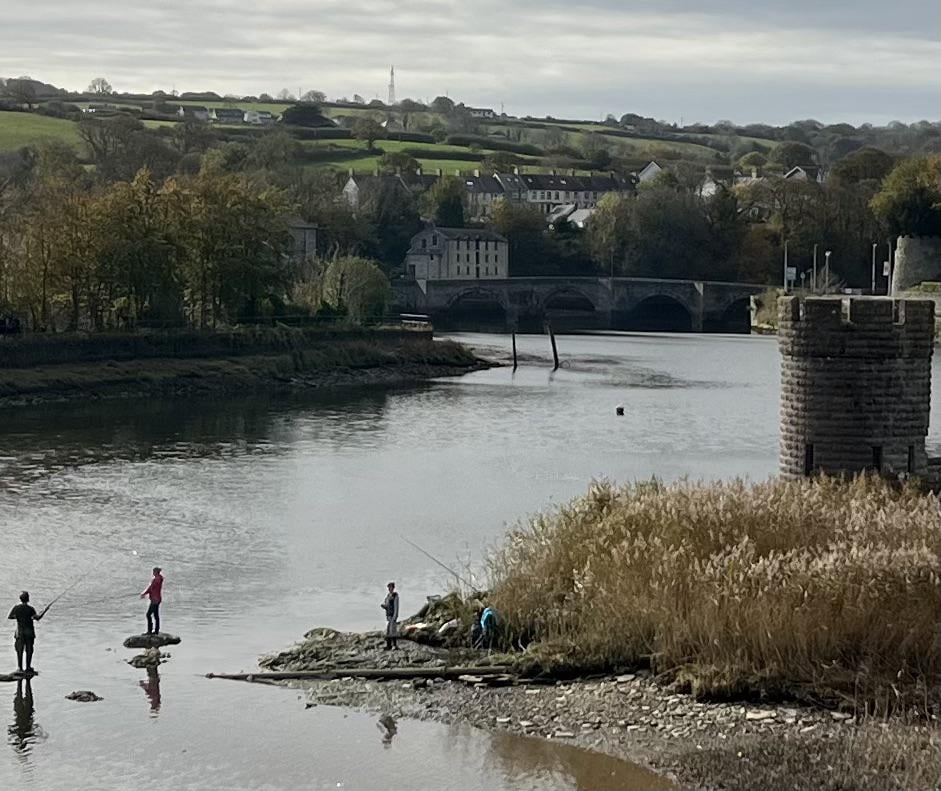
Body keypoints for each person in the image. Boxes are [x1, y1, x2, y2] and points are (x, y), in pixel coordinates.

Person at [8, 592, 43, 675]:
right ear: (28, 598)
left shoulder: (16, 608)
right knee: (29, 650)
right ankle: (28, 667)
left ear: (20, 599)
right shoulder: (30, 609)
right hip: (29, 632)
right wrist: (42, 613)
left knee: (19, 650)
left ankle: (20, 668)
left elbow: (10, 617)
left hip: (19, 632)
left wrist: (18, 617)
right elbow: (37, 618)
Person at [140, 567, 164, 635]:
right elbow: (152, 589)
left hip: (155, 600)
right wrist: (145, 593)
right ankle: (156, 631)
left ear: (156, 572)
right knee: (155, 615)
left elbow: (150, 589)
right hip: (157, 599)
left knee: (148, 615)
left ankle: (150, 631)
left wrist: (143, 594)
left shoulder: (156, 579)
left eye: (153, 571)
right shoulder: (160, 578)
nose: (152, 573)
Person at [380, 582, 399, 650]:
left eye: (391, 587)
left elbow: (396, 606)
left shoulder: (395, 596)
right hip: (388, 616)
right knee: (388, 631)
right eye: (388, 587)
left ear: (393, 588)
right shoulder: (388, 596)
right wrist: (384, 606)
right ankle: (388, 645)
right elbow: (387, 606)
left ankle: (394, 645)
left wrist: (395, 616)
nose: (389, 589)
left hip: (393, 615)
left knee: (393, 631)